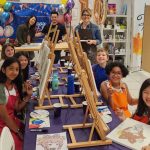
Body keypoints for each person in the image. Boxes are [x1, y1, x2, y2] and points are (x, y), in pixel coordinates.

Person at [0, 57, 32, 150]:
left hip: (12, 121)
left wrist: (28, 96)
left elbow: (17, 108)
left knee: (30, 133)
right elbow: (5, 117)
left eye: (17, 69)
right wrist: (18, 132)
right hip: (3, 125)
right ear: (3, 70)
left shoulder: (13, 86)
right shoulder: (1, 88)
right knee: (22, 144)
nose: (14, 72)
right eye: (11, 68)